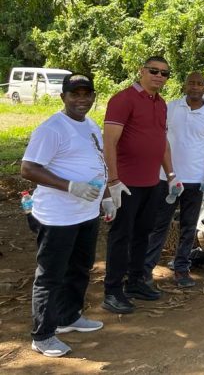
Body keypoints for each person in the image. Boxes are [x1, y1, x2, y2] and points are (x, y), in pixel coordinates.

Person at [21, 74, 112, 357]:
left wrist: (106, 197)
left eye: (87, 94)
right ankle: (43, 334)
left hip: (85, 213)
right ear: (63, 97)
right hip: (58, 216)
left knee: (80, 268)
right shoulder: (52, 129)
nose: (82, 99)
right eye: (75, 94)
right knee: (51, 276)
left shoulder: (90, 125)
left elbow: (98, 161)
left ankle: (68, 317)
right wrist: (70, 186)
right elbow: (28, 168)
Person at [101, 56, 175, 314]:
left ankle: (135, 282)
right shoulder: (123, 99)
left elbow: (161, 141)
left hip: (152, 182)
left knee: (143, 234)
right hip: (126, 183)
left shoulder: (161, 104)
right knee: (121, 237)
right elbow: (108, 142)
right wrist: (113, 180)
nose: (159, 76)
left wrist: (171, 174)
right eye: (154, 71)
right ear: (141, 71)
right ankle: (112, 291)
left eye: (165, 73)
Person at [143, 72, 204, 288]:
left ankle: (181, 269)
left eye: (199, 84)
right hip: (167, 179)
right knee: (159, 225)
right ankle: (145, 270)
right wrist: (164, 172)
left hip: (196, 181)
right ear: (185, 86)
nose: (195, 87)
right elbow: (158, 138)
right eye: (191, 83)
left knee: (188, 227)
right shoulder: (171, 108)